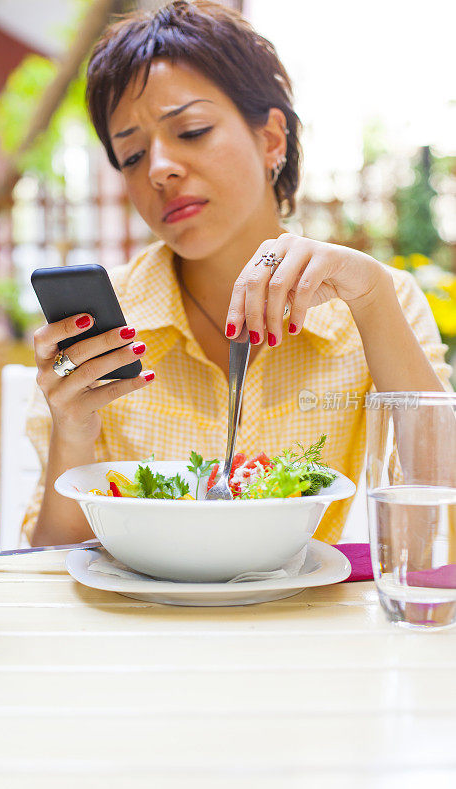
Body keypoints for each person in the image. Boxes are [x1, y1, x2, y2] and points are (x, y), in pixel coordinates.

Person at [22, 0, 453, 546]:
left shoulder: (372, 300)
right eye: (131, 156)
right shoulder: (105, 323)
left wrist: (372, 300)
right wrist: (74, 435)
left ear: (272, 139)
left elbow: (444, 514)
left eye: (193, 130)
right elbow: (52, 565)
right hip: (146, 627)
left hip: (310, 624)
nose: (159, 169)